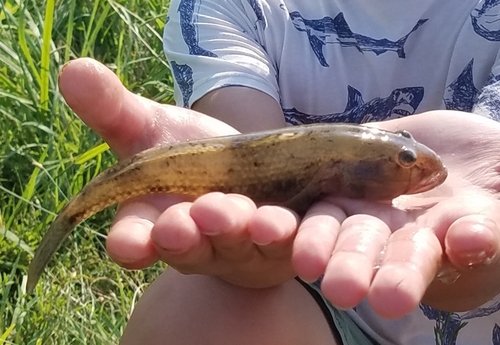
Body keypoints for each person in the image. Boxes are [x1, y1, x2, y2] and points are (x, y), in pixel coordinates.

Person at [58, 0, 500, 343]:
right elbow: (249, 154)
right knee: (195, 309)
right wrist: (260, 249)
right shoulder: (230, 10)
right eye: (405, 160)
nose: (416, 168)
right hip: (325, 316)